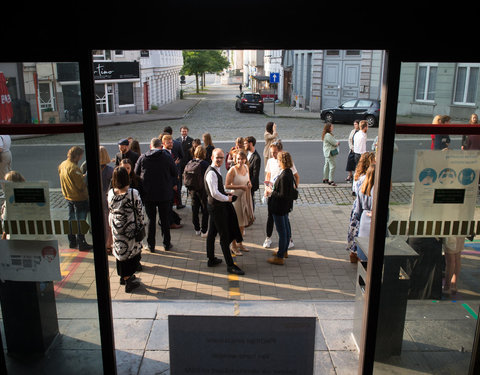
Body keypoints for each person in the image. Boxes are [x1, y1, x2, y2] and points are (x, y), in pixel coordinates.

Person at [205, 148, 245, 275]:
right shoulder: (211, 173)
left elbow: (218, 190)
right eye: (217, 157)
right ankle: (230, 265)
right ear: (211, 157)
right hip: (217, 208)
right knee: (224, 236)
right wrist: (228, 198)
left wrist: (225, 193)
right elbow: (214, 193)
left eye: (221, 158)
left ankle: (211, 259)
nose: (219, 160)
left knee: (211, 233)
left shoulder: (216, 170)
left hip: (214, 206)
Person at [134, 137, 177, 252]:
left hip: (149, 195)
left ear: (150, 146)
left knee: (151, 220)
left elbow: (135, 174)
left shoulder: (142, 158)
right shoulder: (167, 157)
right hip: (164, 193)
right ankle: (167, 244)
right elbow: (174, 172)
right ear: (161, 146)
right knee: (165, 219)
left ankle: (151, 245)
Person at [108, 167, 143, 293]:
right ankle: (129, 280)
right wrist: (141, 223)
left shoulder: (111, 193)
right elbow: (139, 211)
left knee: (120, 252)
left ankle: (123, 277)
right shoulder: (132, 193)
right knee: (132, 253)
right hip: (130, 228)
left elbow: (110, 209)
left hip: (117, 228)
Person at [263, 140, 299, 250]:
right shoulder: (270, 161)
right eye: (271, 152)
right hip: (273, 194)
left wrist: (293, 189)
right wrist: (266, 188)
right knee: (270, 217)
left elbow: (296, 177)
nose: (273, 155)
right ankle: (268, 237)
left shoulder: (285, 162)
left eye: (274, 152)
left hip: (281, 195)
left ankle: (288, 240)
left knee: (285, 219)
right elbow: (268, 176)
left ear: (280, 151)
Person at [58, 146, 93, 251]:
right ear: (77, 156)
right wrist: (85, 177)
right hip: (78, 198)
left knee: (71, 220)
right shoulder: (74, 168)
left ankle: (72, 241)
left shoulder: (63, 164)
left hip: (68, 196)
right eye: (80, 156)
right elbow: (80, 186)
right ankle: (82, 243)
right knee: (80, 221)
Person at [266, 151, 296, 266]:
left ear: (281, 161)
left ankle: (280, 256)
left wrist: (271, 191)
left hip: (279, 207)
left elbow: (282, 195)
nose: (277, 162)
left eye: (278, 160)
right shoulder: (289, 173)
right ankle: (284, 251)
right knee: (286, 229)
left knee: (282, 231)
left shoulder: (284, 175)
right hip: (285, 206)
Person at [346, 152, 376, 263]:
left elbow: (355, 190)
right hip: (364, 207)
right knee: (359, 231)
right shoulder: (367, 178)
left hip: (357, 204)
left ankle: (353, 253)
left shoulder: (358, 175)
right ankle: (358, 253)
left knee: (354, 229)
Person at [225, 149, 254, 255]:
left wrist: (249, 184)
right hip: (235, 199)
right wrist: (240, 187)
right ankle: (233, 246)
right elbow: (227, 185)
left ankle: (240, 243)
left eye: (242, 159)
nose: (241, 161)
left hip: (245, 197)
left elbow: (248, 180)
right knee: (235, 223)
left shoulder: (246, 167)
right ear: (235, 159)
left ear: (245, 159)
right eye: (238, 159)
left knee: (242, 223)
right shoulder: (232, 170)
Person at [354, 165, 375, 261]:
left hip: (364, 220)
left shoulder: (363, 189)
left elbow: (357, 210)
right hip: (374, 222)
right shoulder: (379, 191)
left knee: (364, 250)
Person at [162, 134, 183, 229]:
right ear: (163, 143)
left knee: (170, 204)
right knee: (168, 204)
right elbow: (166, 171)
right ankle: (170, 223)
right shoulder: (163, 153)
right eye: (168, 143)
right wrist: (173, 184)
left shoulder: (169, 152)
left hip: (172, 183)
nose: (171, 144)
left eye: (171, 142)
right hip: (168, 184)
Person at [188, 146, 210, 237]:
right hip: (203, 190)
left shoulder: (190, 162)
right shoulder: (205, 164)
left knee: (194, 209)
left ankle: (196, 229)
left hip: (192, 189)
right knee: (205, 210)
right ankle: (204, 230)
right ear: (204, 153)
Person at [163, 126, 185, 209]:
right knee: (177, 187)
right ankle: (178, 203)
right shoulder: (178, 143)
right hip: (176, 170)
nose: (171, 144)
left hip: (168, 175)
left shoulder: (160, 148)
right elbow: (182, 156)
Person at [99, 146, 114, 254]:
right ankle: (109, 244)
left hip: (97, 198)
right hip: (107, 198)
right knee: (109, 223)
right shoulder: (110, 170)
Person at [176, 126, 193, 209]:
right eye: (182, 131)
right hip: (179, 164)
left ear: (187, 132)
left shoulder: (191, 140)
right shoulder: (176, 140)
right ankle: (179, 198)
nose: (184, 133)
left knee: (189, 180)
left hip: (188, 163)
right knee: (179, 181)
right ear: (180, 132)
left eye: (185, 131)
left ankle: (190, 193)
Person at [244, 136, 261, 210]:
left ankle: (251, 217)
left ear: (250, 144)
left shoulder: (256, 158)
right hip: (245, 182)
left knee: (250, 201)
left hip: (250, 184)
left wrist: (249, 185)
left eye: (245, 143)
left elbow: (255, 175)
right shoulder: (248, 154)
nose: (244, 145)